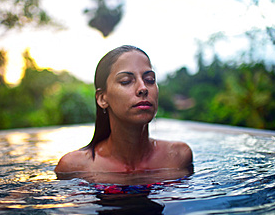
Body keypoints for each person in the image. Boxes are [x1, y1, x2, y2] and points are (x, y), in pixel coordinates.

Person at [55, 45, 192, 174]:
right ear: (102, 98)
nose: (143, 88)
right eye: (126, 81)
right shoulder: (75, 167)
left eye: (149, 80)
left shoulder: (177, 157)